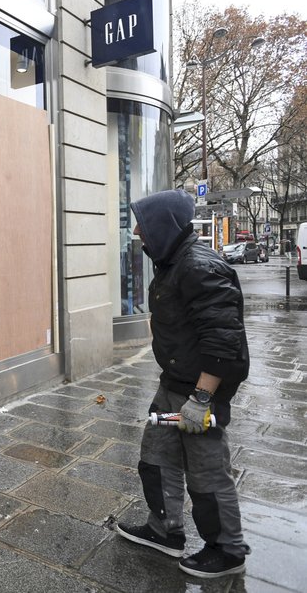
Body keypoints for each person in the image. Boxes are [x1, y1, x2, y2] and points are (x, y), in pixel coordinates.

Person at [117, 189, 250, 578]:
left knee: (207, 471)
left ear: (163, 224)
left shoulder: (200, 267)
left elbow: (224, 342)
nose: (138, 230)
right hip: (174, 382)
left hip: (199, 391)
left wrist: (202, 398)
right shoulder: (172, 262)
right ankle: (164, 530)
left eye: (143, 221)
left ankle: (227, 550)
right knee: (156, 455)